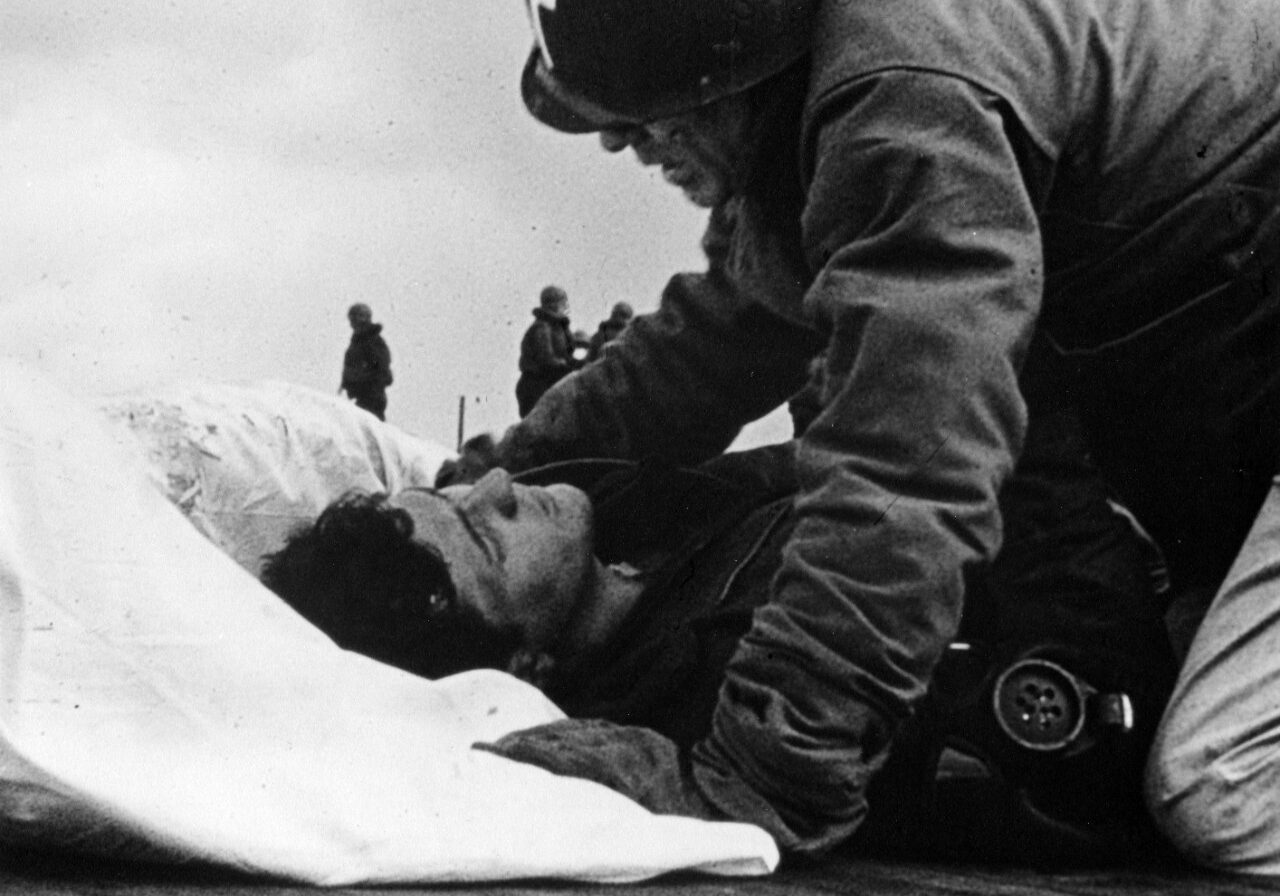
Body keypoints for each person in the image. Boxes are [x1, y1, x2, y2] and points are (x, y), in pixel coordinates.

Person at [433, 0, 1280, 869]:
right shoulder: (833, 108)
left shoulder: (903, 102)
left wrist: (763, 776)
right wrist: (489, 474)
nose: (620, 142)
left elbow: (909, 457)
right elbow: (705, 350)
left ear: (734, 61)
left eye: (640, 111)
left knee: (1221, 781)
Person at [264, 410, 1175, 863]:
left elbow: (861, 445)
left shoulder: (649, 524)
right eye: (482, 534)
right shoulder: (726, 694)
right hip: (1161, 593)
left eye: (463, 494)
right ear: (524, 663)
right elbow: (1071, 726)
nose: (500, 482)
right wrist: (1027, 422)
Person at [515, 285, 579, 417]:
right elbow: (546, 360)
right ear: (555, 304)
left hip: (550, 384)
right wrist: (571, 366)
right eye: (563, 303)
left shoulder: (558, 328)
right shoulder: (542, 327)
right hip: (537, 387)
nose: (565, 307)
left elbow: (566, 355)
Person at [339, 302, 394, 421]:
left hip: (372, 394)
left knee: (369, 426)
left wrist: (365, 380)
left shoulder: (372, 341)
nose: (352, 322)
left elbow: (381, 367)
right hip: (361, 395)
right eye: (351, 318)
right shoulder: (358, 343)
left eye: (355, 317)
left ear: (364, 318)